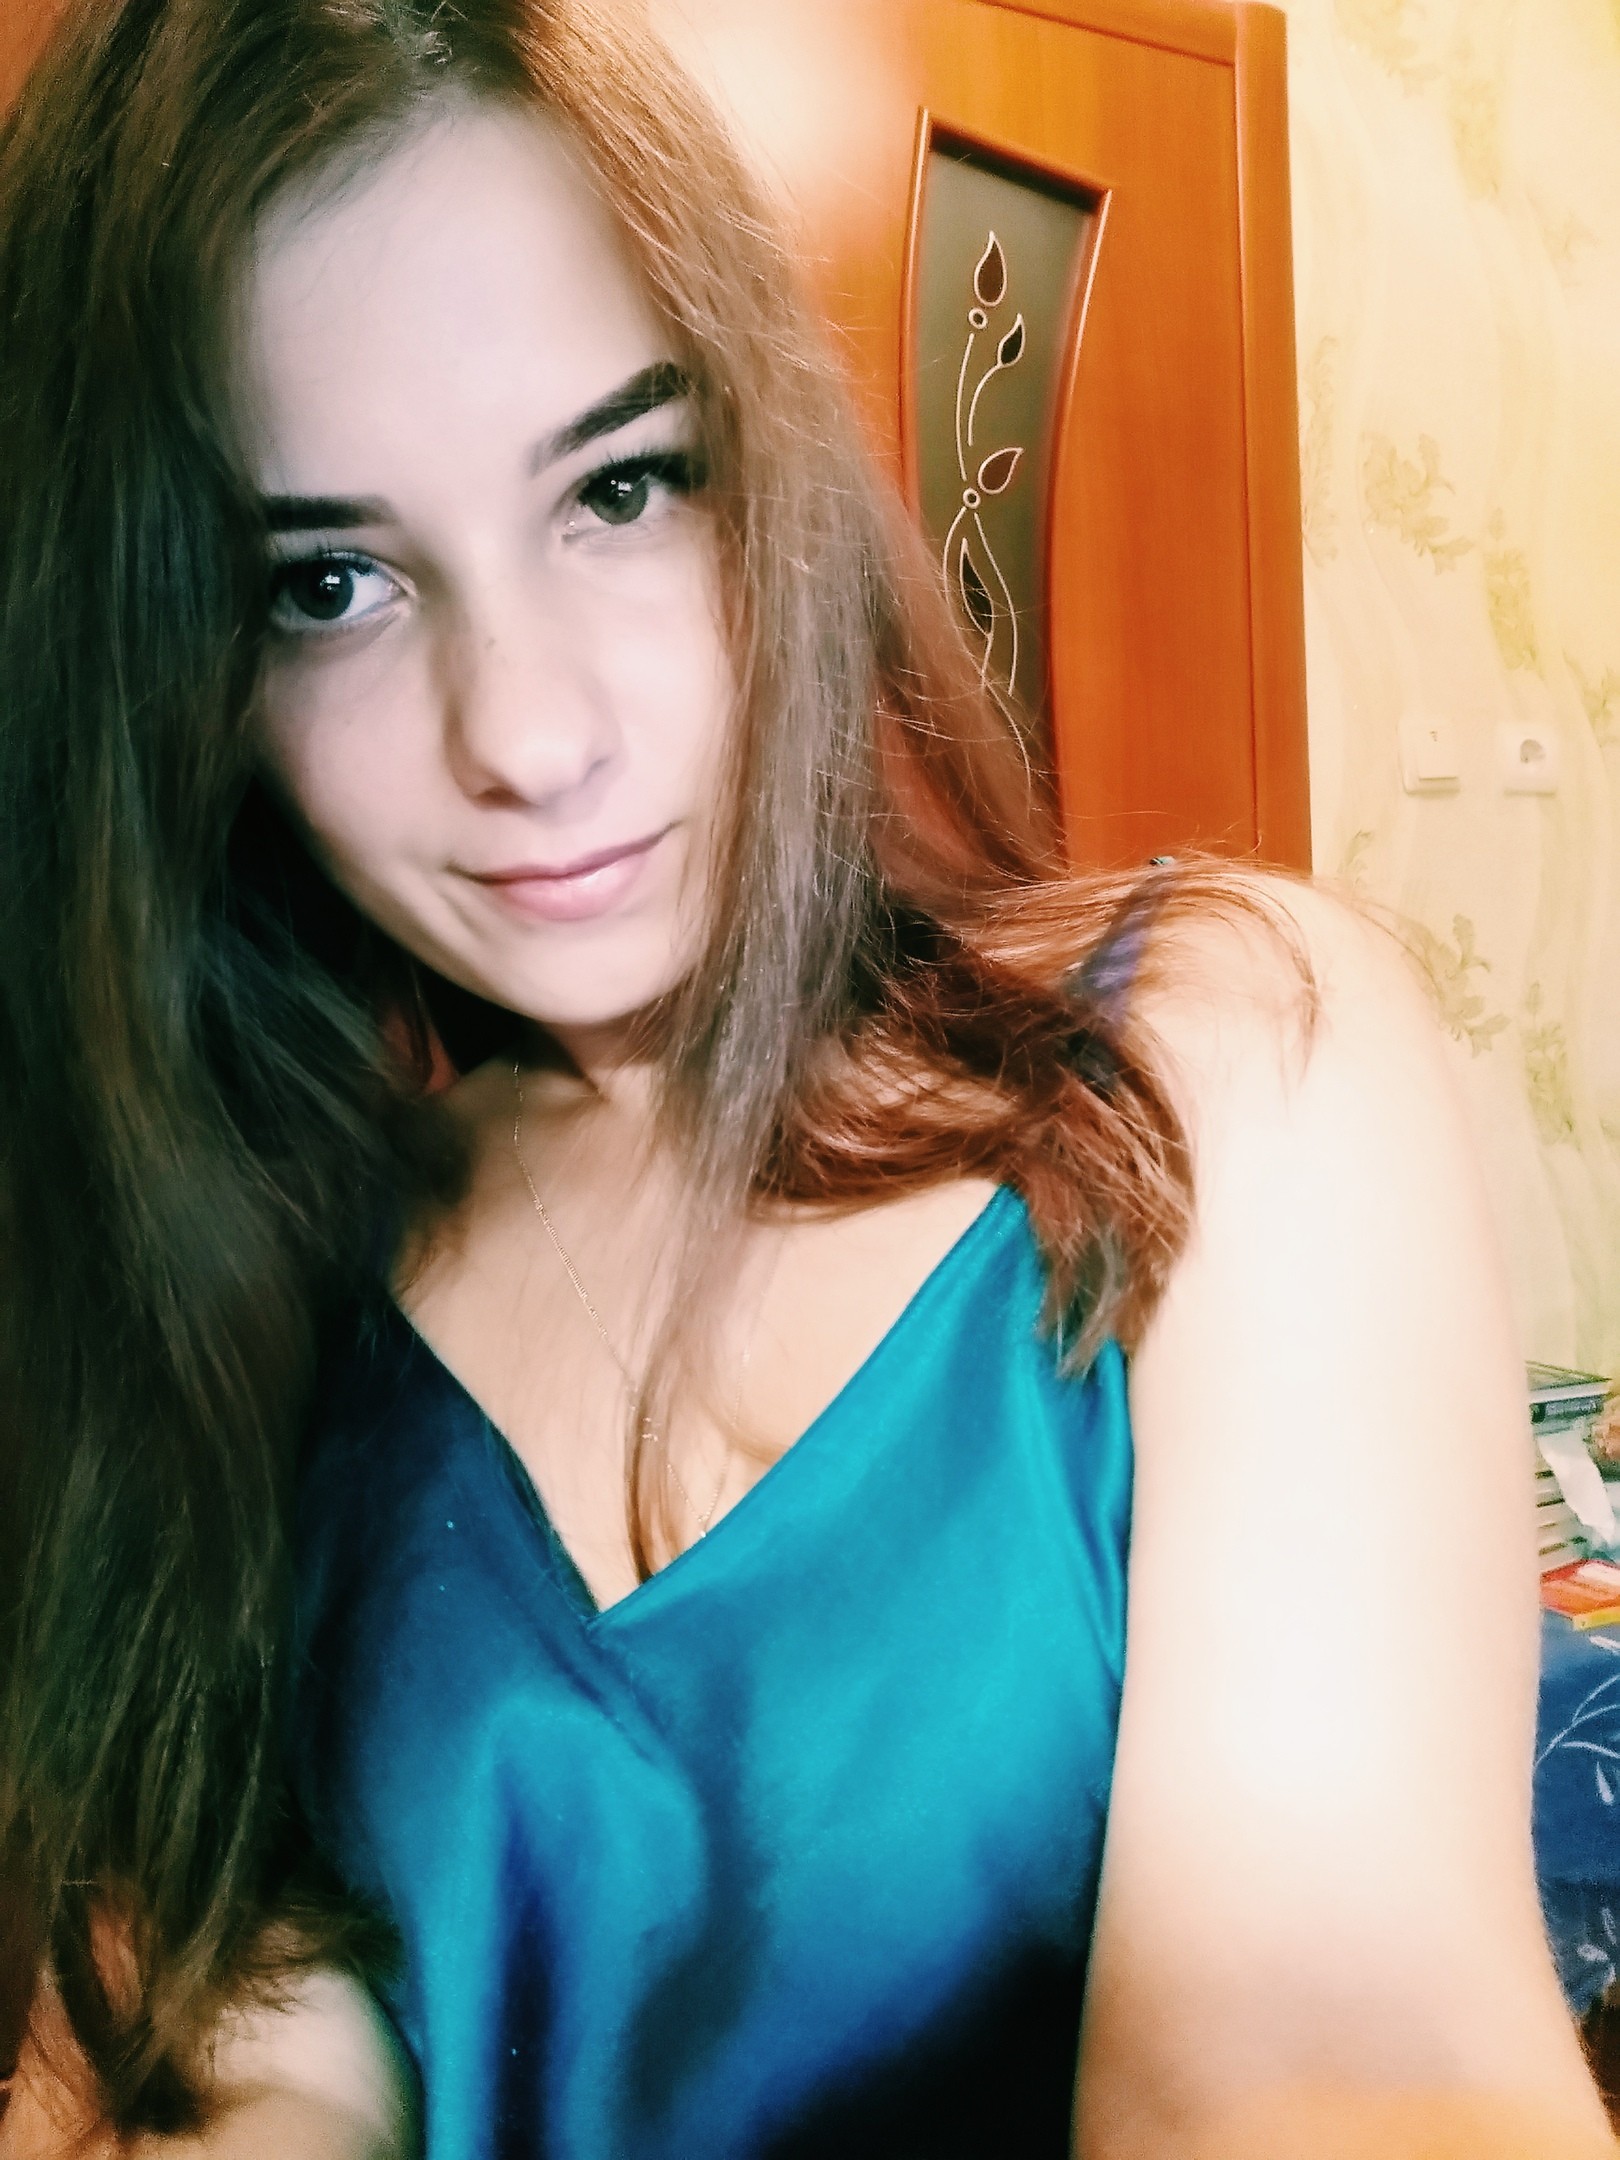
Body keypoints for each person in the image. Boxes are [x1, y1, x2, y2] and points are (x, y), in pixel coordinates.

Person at [0, 1, 1610, 2155]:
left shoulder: (1212, 1061)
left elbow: (1329, 2053)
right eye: (333, 583)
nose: (527, 736)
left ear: (768, 468)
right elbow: (224, 2063)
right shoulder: (252, 1295)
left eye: (619, 487)